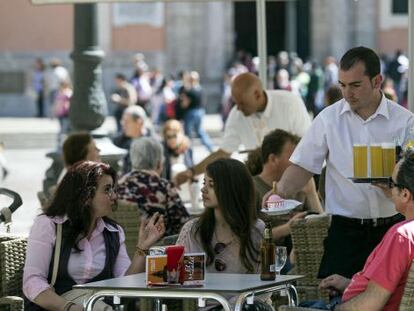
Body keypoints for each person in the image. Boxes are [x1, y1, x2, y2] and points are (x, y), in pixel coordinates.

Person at [267, 46, 414, 279]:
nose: (347, 93)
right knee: (339, 300)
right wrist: (280, 191)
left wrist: (393, 186)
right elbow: (303, 165)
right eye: (342, 85)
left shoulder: (404, 121)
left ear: (377, 81)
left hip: (392, 228)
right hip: (345, 231)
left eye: (355, 85)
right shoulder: (328, 118)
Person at [23, 161, 165, 311]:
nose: (114, 196)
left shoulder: (113, 232)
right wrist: (69, 308)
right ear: (86, 195)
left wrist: (142, 248)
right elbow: (32, 281)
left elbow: (124, 284)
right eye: (107, 190)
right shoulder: (49, 225)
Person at [301, 153, 414, 310]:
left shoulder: (402, 236)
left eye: (391, 183)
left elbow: (371, 303)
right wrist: (350, 284)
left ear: (405, 194)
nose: (389, 188)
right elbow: (389, 285)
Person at [174, 72, 311, 187]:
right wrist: (191, 172)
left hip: (296, 178)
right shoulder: (237, 114)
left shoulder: (290, 104)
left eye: (242, 103)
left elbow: (305, 146)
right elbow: (223, 152)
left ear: (257, 95)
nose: (238, 108)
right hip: (259, 181)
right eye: (235, 103)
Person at [176, 158, 272, 310]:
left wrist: (233, 306)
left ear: (231, 188)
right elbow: (181, 281)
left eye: (211, 185)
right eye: (204, 183)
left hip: (248, 306)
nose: (203, 189)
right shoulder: (193, 231)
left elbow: (265, 285)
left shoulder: (256, 230)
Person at [253, 129, 322, 243]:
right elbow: (249, 237)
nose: (298, 163)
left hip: (303, 254)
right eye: (294, 158)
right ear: (273, 159)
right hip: (269, 256)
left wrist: (311, 193)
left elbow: (322, 228)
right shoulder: (252, 188)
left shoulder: (300, 185)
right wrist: (287, 228)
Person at [117, 137, 190, 236]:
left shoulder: (118, 185)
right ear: (159, 163)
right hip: (157, 248)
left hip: (122, 246)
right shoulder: (164, 187)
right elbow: (184, 225)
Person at [113, 105, 154, 174]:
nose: (123, 124)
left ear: (139, 122)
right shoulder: (118, 142)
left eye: (127, 121)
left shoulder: (154, 144)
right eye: (122, 121)